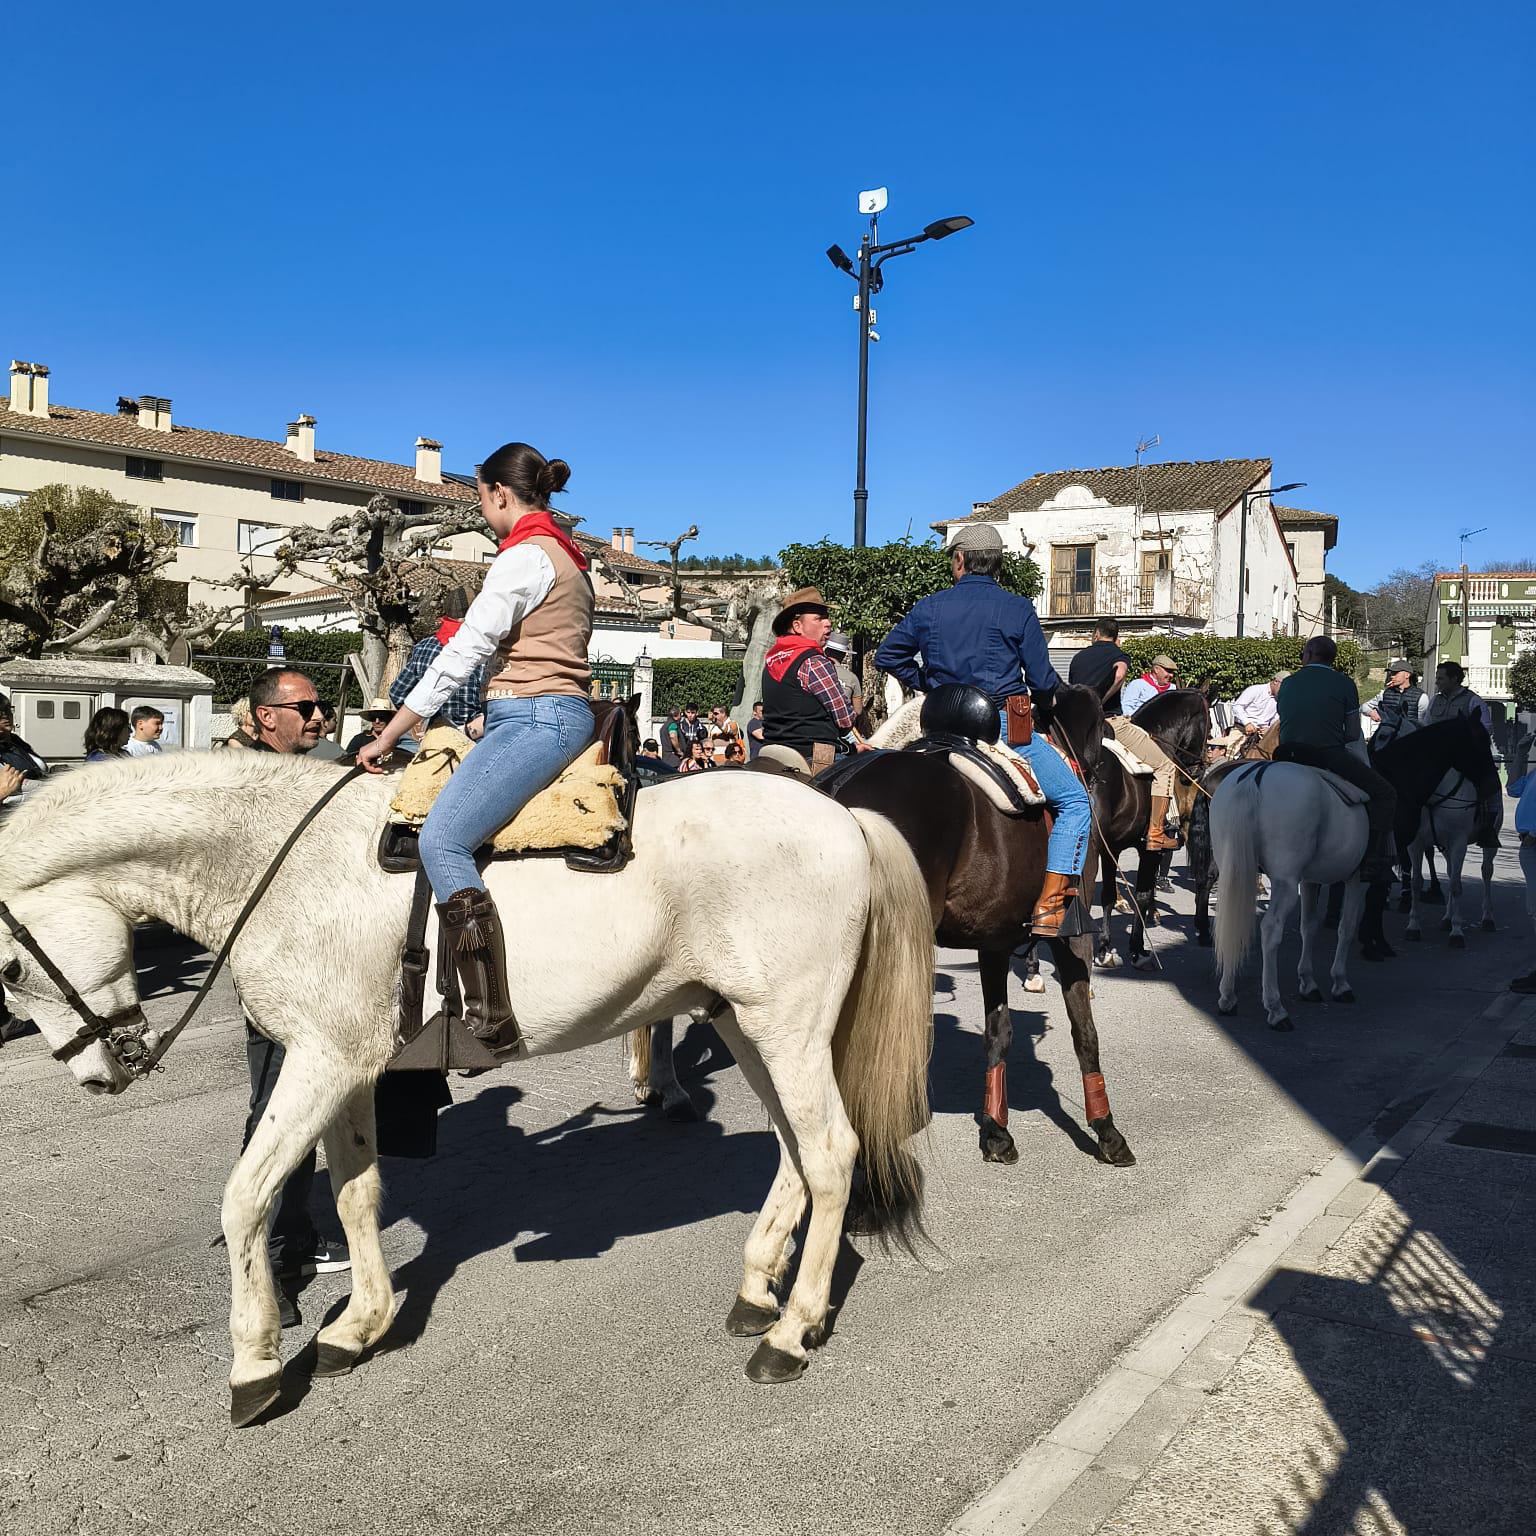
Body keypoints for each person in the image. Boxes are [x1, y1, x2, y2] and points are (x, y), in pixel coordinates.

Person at [357, 441, 595, 1053]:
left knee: (442, 838)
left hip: (537, 719)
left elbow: (461, 653)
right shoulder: (569, 554)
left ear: (497, 494)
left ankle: (489, 1017)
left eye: (481, 501)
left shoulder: (521, 558)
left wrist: (390, 731)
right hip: (540, 713)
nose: (485, 513)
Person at [875, 522, 1092, 938]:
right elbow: (1044, 682)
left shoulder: (929, 607)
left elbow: (889, 654)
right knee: (1075, 801)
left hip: (937, 725)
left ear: (959, 561)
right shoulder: (1017, 608)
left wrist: (926, 682)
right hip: (1003, 727)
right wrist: (1054, 698)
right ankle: (1049, 907)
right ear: (997, 566)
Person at [241, 666, 350, 1302]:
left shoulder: (318, 770)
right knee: (276, 1109)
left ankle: (297, 1230)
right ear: (266, 717)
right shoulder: (251, 785)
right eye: (305, 707)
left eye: (319, 706)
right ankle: (269, 1266)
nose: (318, 717)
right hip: (279, 976)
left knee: (322, 1105)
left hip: (327, 971)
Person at [1275, 635, 1397, 885]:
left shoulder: (1287, 683)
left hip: (1285, 755)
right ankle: (1373, 860)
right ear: (1332, 658)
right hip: (1326, 755)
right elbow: (1352, 734)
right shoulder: (1344, 683)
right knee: (1386, 793)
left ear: (1307, 654)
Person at [1069, 618, 1180, 851]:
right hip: (1110, 721)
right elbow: (1119, 674)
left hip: (1078, 725)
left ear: (1095, 634)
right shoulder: (1117, 654)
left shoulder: (1078, 658)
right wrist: (1100, 698)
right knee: (1165, 767)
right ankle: (1156, 833)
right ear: (1114, 636)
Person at [761, 586, 865, 776]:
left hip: (772, 751)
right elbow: (845, 719)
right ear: (797, 626)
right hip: (814, 755)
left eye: (827, 617)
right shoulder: (814, 661)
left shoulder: (771, 660)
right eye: (818, 618)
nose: (828, 623)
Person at [389, 588, 491, 739]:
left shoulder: (425, 647)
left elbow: (397, 693)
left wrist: (422, 717)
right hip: (475, 738)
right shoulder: (487, 651)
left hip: (432, 736)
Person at [1506, 765, 1536, 993]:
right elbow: (1512, 789)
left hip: (1533, 844)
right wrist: (1519, 753)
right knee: (1533, 909)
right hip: (1529, 845)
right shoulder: (1534, 774)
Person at [1362, 661, 1423, 754]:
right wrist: (1371, 712)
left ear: (1407, 675)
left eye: (1395, 673)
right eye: (1391, 673)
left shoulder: (1421, 697)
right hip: (1388, 744)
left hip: (1411, 745)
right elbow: (1363, 707)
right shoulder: (1385, 693)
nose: (1392, 676)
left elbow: (1423, 724)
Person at [1420, 660, 1493, 734]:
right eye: (1437, 678)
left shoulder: (1473, 701)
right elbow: (1426, 727)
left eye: (1441, 679)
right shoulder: (1435, 700)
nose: (1436, 682)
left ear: (1454, 679)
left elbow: (1485, 730)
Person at [0, 695, 48, 785]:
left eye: (8, 710)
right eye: (0, 713)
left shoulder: (16, 741)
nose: (5, 716)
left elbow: (37, 769)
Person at [1121, 654, 1179, 718]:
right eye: (1168, 671)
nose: (1171, 675)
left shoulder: (1172, 688)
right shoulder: (1138, 684)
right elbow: (1126, 708)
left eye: (1172, 672)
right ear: (1156, 669)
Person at [823, 632, 864, 717]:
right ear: (844, 654)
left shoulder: (814, 672)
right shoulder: (852, 678)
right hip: (842, 725)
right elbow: (858, 710)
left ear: (826, 651)